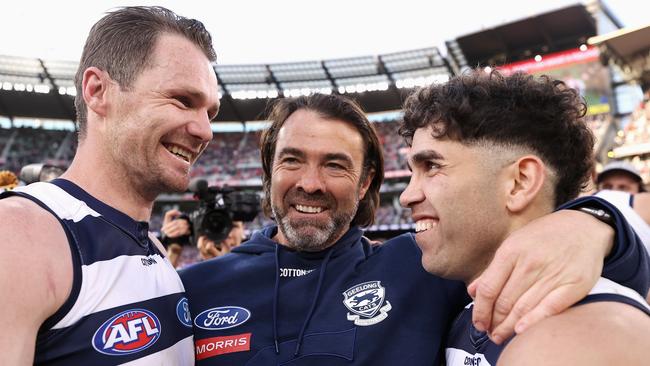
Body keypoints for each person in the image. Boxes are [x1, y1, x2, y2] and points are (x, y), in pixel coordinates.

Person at [180, 93, 648, 365]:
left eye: (336, 166)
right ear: (268, 171)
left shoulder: (424, 267)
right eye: (292, 160)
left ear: (366, 184)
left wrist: (592, 222)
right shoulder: (188, 288)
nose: (310, 183)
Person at [0, 6, 219, 365]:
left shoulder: (153, 248)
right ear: (98, 91)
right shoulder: (18, 235)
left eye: (210, 113)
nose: (205, 131)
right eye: (183, 101)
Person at [398, 70, 650, 365]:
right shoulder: (467, 303)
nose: (407, 196)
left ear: (520, 182)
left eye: (431, 165)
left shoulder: (578, 339)